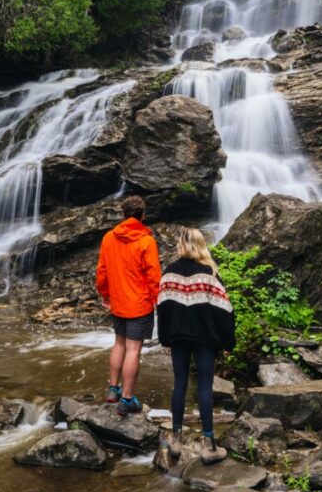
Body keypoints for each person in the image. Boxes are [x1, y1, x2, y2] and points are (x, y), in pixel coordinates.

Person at [156, 227, 235, 465]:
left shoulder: (169, 273)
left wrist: (165, 339)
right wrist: (227, 342)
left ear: (181, 245)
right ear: (201, 245)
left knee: (179, 383)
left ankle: (177, 439)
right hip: (205, 339)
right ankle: (209, 444)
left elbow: (163, 309)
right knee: (204, 387)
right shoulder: (209, 273)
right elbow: (224, 312)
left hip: (178, 337)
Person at [95, 194, 161, 417]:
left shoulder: (108, 238)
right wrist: (157, 299)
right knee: (133, 350)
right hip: (139, 304)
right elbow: (153, 275)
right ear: (142, 216)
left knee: (119, 344)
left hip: (118, 302)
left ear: (123, 215)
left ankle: (113, 389)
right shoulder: (146, 241)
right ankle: (127, 399)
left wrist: (105, 294)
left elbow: (102, 271)